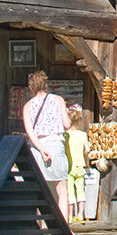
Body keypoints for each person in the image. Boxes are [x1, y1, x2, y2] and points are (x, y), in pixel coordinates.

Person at [22, 70, 71, 221]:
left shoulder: (28, 106)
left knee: (39, 188)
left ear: (31, 87)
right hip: (56, 144)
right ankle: (64, 227)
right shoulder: (58, 100)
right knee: (62, 189)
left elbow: (30, 132)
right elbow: (67, 124)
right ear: (46, 84)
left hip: (38, 147)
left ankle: (42, 224)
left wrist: (42, 150)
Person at [65, 104, 90, 222]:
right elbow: (88, 149)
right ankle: (80, 214)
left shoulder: (66, 135)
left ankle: (70, 215)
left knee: (70, 192)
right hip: (80, 165)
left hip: (69, 165)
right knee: (80, 190)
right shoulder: (83, 134)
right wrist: (84, 155)